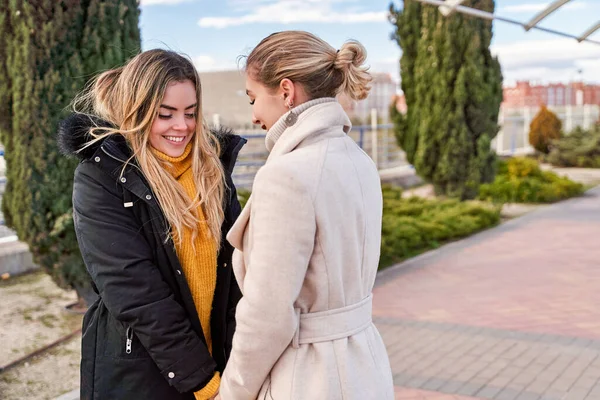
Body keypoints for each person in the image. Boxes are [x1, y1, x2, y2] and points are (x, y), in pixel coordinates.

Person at [57, 49, 246, 400]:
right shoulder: (102, 176)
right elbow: (136, 293)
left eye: (191, 113)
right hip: (143, 375)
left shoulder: (213, 171)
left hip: (221, 366)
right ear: (137, 111)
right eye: (165, 114)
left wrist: (240, 366)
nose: (183, 126)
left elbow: (239, 273)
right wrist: (202, 382)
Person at [218, 31, 394, 400]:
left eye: (254, 99)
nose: (253, 117)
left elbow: (267, 315)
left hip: (308, 377)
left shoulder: (286, 176)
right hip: (366, 367)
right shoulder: (359, 161)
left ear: (285, 91)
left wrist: (233, 392)